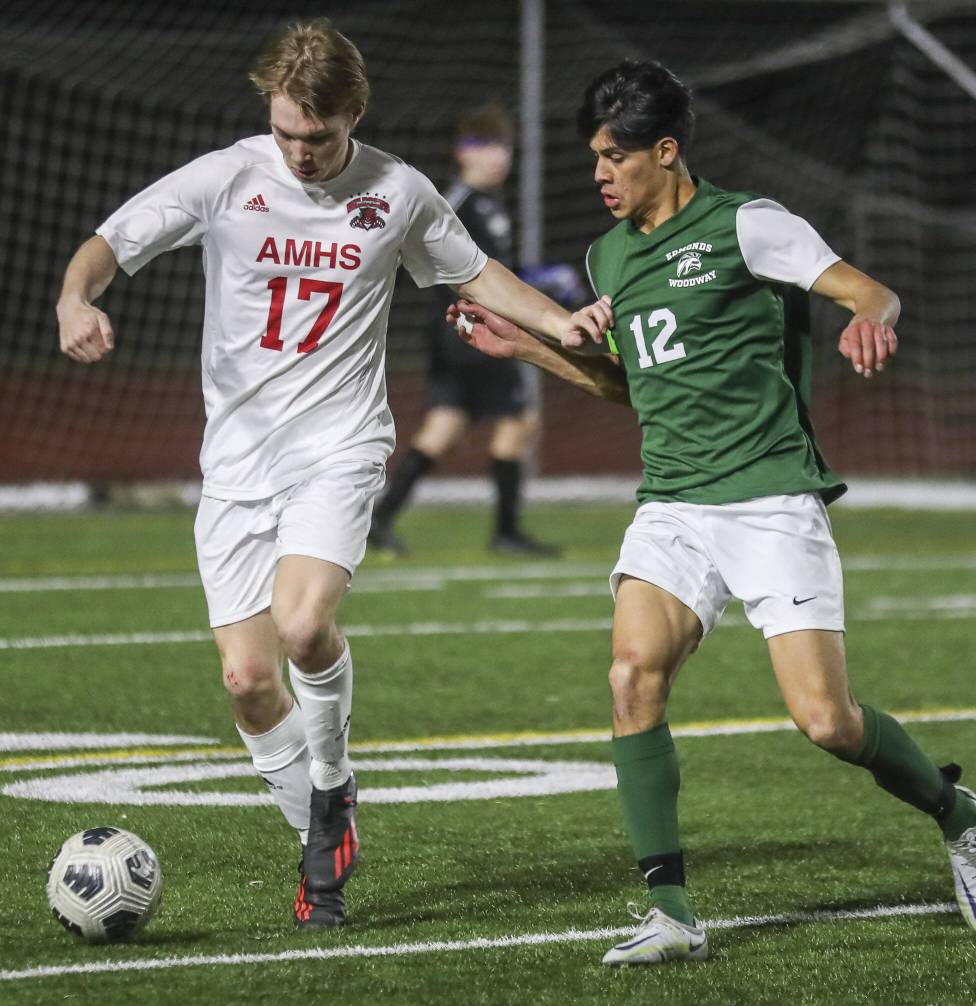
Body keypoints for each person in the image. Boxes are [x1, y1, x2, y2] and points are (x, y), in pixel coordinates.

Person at [448, 58, 976, 965]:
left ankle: (958, 814)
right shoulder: (607, 257)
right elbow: (628, 386)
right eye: (593, 154)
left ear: (665, 152)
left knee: (827, 722)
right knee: (632, 676)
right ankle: (672, 912)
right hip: (672, 502)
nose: (599, 173)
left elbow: (867, 288)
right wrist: (524, 342)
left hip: (769, 498)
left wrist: (872, 316)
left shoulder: (750, 225)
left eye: (615, 156)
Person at [54, 19, 600, 930]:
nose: (301, 153)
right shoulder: (228, 176)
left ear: (356, 113)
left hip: (340, 448)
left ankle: (333, 778)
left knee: (306, 624)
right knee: (246, 683)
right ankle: (319, 831)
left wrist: (561, 324)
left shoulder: (399, 191)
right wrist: (77, 297)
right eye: (287, 133)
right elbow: (107, 244)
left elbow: (477, 276)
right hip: (235, 466)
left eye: (320, 136)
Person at [369, 104, 559, 557]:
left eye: (503, 146)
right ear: (462, 153)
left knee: (446, 425)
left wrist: (532, 274)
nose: (498, 156)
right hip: (468, 329)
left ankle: (381, 518)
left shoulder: (489, 203)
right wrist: (537, 282)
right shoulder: (457, 203)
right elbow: (463, 273)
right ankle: (506, 532)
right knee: (519, 419)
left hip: (459, 332)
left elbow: (493, 268)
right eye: (485, 145)